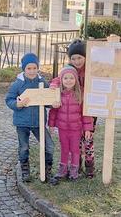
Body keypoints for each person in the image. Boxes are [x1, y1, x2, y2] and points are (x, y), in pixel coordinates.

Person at [50, 39, 96, 178]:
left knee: (88, 137)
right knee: (75, 142)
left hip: (89, 106)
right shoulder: (69, 69)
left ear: (85, 57)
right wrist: (53, 88)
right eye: (73, 58)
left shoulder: (91, 68)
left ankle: (90, 165)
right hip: (72, 105)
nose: (77, 61)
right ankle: (77, 165)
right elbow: (58, 79)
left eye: (80, 58)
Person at [5, 53, 54, 182]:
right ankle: (25, 170)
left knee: (49, 145)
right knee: (24, 147)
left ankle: (47, 171)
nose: (32, 71)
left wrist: (53, 104)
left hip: (38, 122)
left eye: (34, 68)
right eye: (29, 68)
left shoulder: (42, 83)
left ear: (38, 68)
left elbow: (48, 100)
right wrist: (17, 104)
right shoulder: (17, 84)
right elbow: (9, 99)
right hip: (22, 123)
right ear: (24, 69)